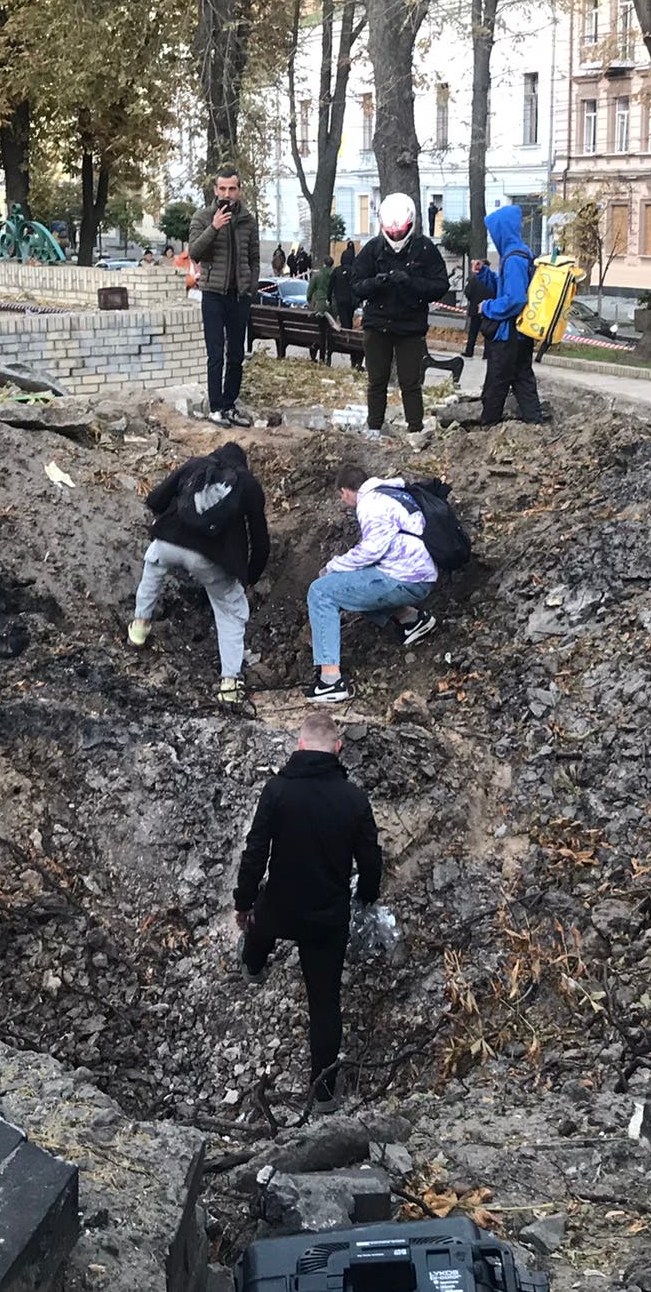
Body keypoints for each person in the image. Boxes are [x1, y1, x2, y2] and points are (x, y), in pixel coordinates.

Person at [233, 709, 383, 1113]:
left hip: (280, 904)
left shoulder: (277, 791)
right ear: (337, 748)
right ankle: (324, 1096)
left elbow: (255, 851)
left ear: (299, 745)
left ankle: (251, 967)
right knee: (325, 1002)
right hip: (326, 916)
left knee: (259, 926)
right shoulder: (353, 798)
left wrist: (243, 902)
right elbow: (370, 859)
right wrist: (367, 896)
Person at [127, 441, 270, 704]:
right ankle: (229, 684)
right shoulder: (248, 485)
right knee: (230, 611)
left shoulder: (196, 465)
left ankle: (139, 628)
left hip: (169, 541)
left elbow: (155, 499)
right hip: (210, 558)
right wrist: (249, 577)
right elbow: (260, 540)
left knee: (154, 566)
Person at [304, 463, 437, 703]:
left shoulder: (370, 504)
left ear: (345, 491)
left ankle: (330, 681)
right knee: (353, 585)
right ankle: (412, 619)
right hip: (420, 574)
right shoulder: (392, 493)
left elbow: (371, 550)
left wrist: (332, 567)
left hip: (404, 578)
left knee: (321, 592)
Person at [350, 194, 450, 439]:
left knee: (410, 382)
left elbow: (440, 285)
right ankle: (374, 427)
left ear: (410, 225)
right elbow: (355, 284)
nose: (395, 236)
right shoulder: (373, 249)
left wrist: (412, 283)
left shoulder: (425, 248)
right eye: (391, 231)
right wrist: (376, 283)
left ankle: (414, 428)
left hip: (410, 327)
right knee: (377, 380)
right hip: (377, 325)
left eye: (400, 231)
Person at [188, 167, 260, 427]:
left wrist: (250, 288)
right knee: (215, 353)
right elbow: (194, 252)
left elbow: (253, 257)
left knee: (236, 355)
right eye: (222, 189)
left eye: (232, 189)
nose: (227, 194)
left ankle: (230, 405)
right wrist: (214, 227)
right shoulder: (203, 217)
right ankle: (215, 408)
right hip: (213, 295)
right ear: (215, 190)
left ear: (239, 190)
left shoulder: (248, 220)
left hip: (239, 296)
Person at [476, 204, 541, 427]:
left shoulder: (512, 259)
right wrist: (486, 274)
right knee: (523, 380)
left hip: (507, 336)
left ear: (502, 231)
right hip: (521, 334)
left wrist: (487, 307)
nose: (493, 237)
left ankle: (488, 429)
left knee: (496, 384)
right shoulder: (522, 254)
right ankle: (535, 425)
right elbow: (507, 288)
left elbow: (515, 299)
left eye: (494, 232)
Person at [463, 255, 497, 357]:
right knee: (488, 332)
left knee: (473, 332)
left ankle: (469, 351)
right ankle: (487, 353)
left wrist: (473, 300)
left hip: (475, 309)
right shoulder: (492, 279)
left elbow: (468, 292)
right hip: (489, 309)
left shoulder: (474, 279)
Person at [330, 241, 358, 329]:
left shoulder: (337, 271)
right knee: (349, 319)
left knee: (343, 319)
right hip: (351, 299)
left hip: (340, 298)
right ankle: (348, 333)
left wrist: (329, 297)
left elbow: (331, 284)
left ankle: (345, 333)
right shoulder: (354, 271)